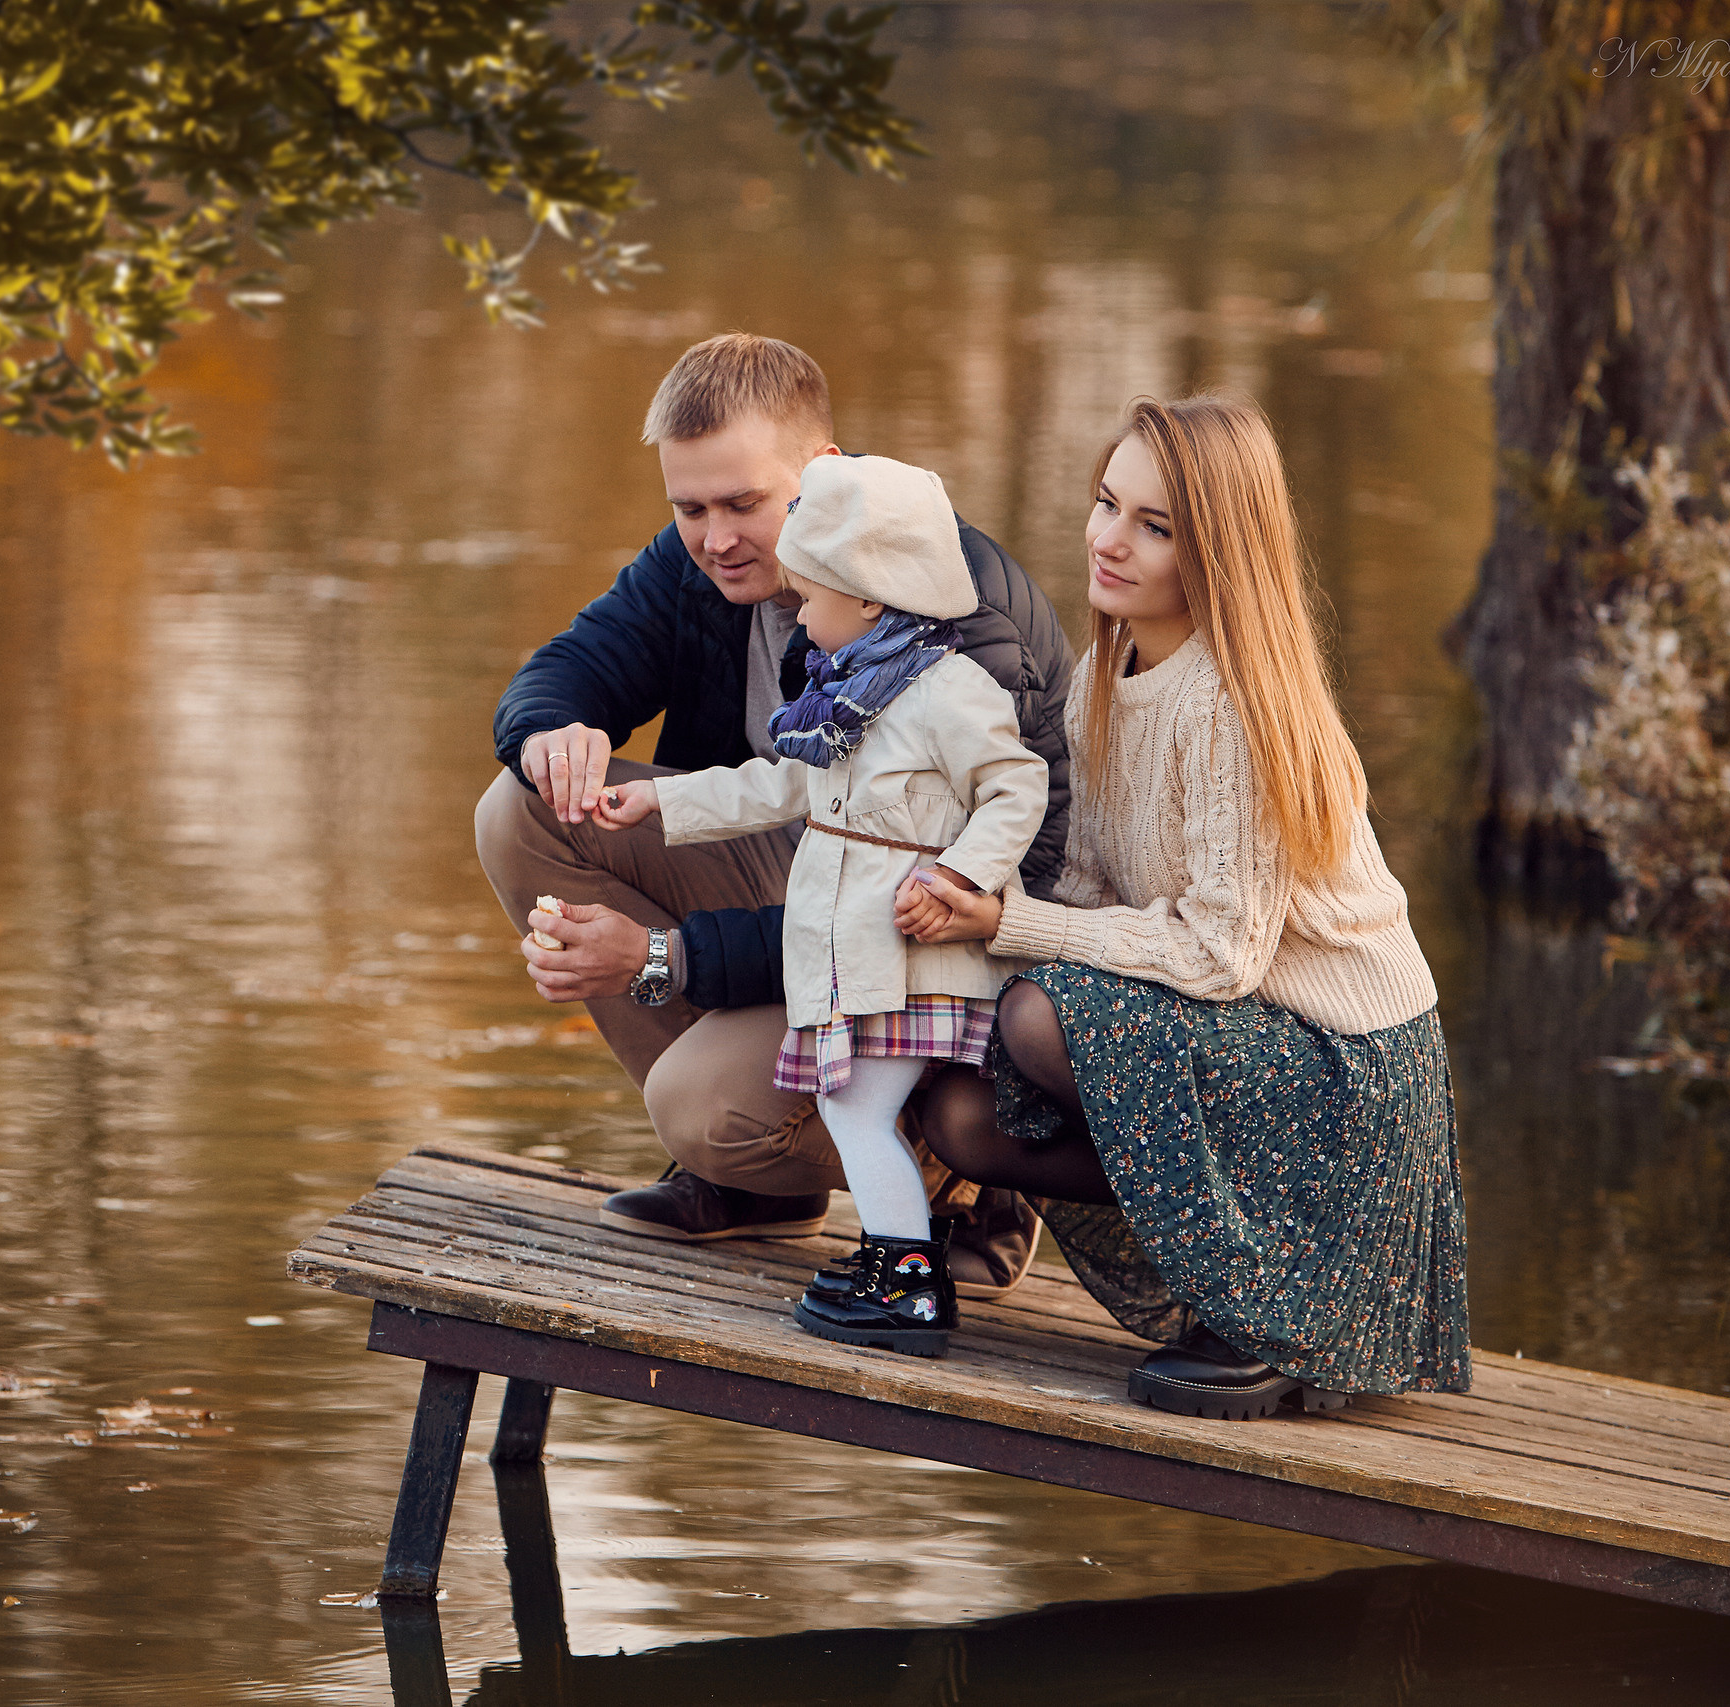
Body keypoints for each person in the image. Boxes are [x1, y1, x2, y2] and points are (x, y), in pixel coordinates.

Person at [892, 393, 1472, 1418]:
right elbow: (1085, 889)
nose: (1109, 540)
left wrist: (1011, 928)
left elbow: (1220, 954)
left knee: (1039, 1015)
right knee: (966, 1117)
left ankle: (1268, 1311)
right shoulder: (1106, 675)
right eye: (1106, 503)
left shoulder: (1233, 707)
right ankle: (1213, 1276)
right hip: (1245, 1043)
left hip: (1344, 1075)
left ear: (1217, 552)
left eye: (1153, 526)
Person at [476, 333, 1077, 1294]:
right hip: (812, 874)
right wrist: (552, 731)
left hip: (931, 956)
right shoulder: (702, 562)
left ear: (823, 470)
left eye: (743, 503)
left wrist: (665, 957)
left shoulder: (954, 616)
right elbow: (574, 662)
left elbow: (977, 885)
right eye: (690, 508)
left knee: (702, 1106)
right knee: (523, 808)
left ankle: (963, 1171)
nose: (715, 538)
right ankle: (751, 1182)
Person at [593, 454, 1047, 1355]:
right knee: (853, 1107)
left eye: (811, 596)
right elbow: (779, 784)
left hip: (913, 957)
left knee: (856, 1109)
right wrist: (661, 801)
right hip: (859, 955)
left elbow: (1017, 786)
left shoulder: (947, 689)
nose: (798, 615)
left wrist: (959, 877)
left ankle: (908, 1279)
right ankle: (897, 1262)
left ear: (870, 597)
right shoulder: (848, 695)